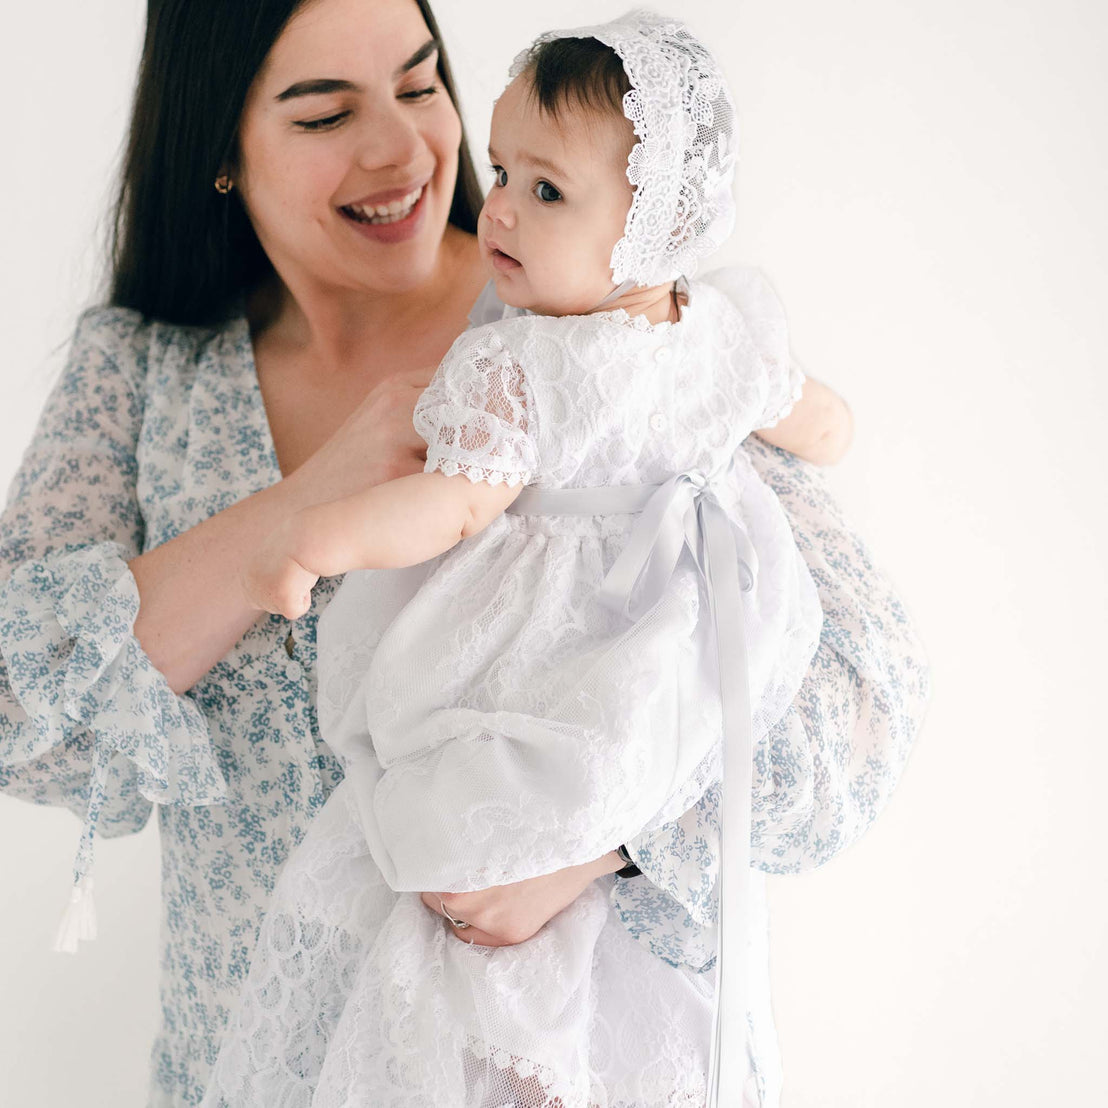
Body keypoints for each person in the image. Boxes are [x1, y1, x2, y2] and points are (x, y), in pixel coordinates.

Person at [0, 1, 929, 1105]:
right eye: (325, 112)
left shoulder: (597, 328)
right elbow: (18, 711)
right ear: (217, 147)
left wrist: (592, 840)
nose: (400, 150)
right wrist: (282, 522)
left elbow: (865, 704)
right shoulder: (141, 374)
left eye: (419, 81)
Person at [200, 14, 838, 1105]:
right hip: (617, 656)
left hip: (633, 658)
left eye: (547, 191)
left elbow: (452, 509)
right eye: (503, 171)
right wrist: (316, 532)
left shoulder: (582, 357)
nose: (496, 206)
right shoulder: (623, 348)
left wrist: (319, 539)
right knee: (500, 922)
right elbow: (815, 421)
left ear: (653, 227)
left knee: (575, 916)